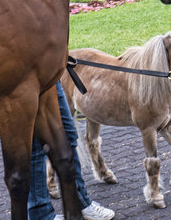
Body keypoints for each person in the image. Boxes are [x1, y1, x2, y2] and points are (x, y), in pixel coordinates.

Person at [28, 82, 115, 220]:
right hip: (29, 78)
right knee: (36, 145)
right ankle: (40, 214)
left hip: (49, 76)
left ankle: (80, 203)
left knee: (68, 135)